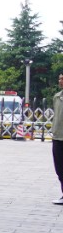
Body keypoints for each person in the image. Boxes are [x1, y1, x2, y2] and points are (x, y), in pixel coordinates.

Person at [55, 72, 63, 205]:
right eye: (60, 79)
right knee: (59, 168)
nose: (60, 81)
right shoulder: (57, 97)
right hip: (57, 137)